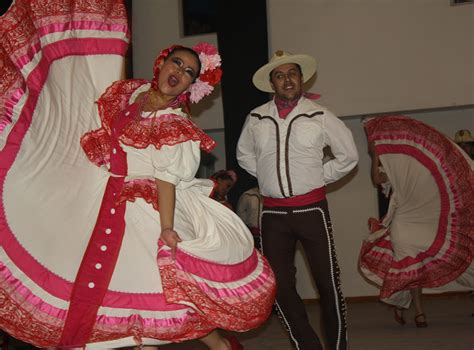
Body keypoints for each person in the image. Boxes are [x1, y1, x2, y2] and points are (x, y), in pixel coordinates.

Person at [0, 2, 276, 349]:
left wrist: (165, 226)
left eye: (190, 72)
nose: (181, 71)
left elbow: (166, 179)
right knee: (118, 299)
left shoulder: (175, 124)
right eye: (178, 62)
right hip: (105, 193)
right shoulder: (128, 95)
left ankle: (222, 346)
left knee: (159, 294)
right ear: (162, 63)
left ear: (191, 86)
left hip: (145, 206)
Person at [237, 50, 358, 350]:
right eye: (280, 75)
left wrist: (317, 176)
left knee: (328, 285)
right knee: (278, 287)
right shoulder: (256, 118)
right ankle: (308, 346)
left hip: (312, 210)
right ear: (272, 83)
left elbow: (349, 157)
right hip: (272, 215)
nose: (287, 79)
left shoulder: (320, 115)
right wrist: (269, 179)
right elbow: (244, 155)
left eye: (292, 73)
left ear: (301, 79)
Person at [359, 116, 474, 328]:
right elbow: (377, 179)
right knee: (410, 267)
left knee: (417, 268)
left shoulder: (420, 166)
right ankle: (418, 313)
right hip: (402, 225)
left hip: (422, 223)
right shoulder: (393, 169)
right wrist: (375, 154)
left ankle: (401, 304)